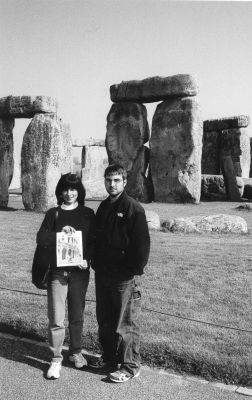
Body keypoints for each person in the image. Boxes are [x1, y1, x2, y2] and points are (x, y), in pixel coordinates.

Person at [89, 164, 150, 383]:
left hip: (124, 276)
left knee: (126, 323)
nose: (112, 184)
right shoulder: (104, 207)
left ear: (124, 182)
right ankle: (109, 357)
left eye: (116, 180)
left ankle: (130, 365)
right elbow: (97, 239)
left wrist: (133, 270)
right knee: (105, 319)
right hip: (103, 273)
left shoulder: (134, 208)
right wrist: (95, 262)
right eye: (108, 180)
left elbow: (142, 246)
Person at [36, 173, 95, 379]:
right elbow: (41, 237)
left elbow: (93, 242)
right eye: (66, 189)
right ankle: (55, 359)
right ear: (60, 191)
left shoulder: (88, 213)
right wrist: (63, 236)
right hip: (57, 272)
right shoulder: (53, 213)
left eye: (73, 189)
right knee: (56, 318)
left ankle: (76, 353)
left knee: (77, 316)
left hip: (80, 273)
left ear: (79, 191)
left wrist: (87, 259)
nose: (69, 193)